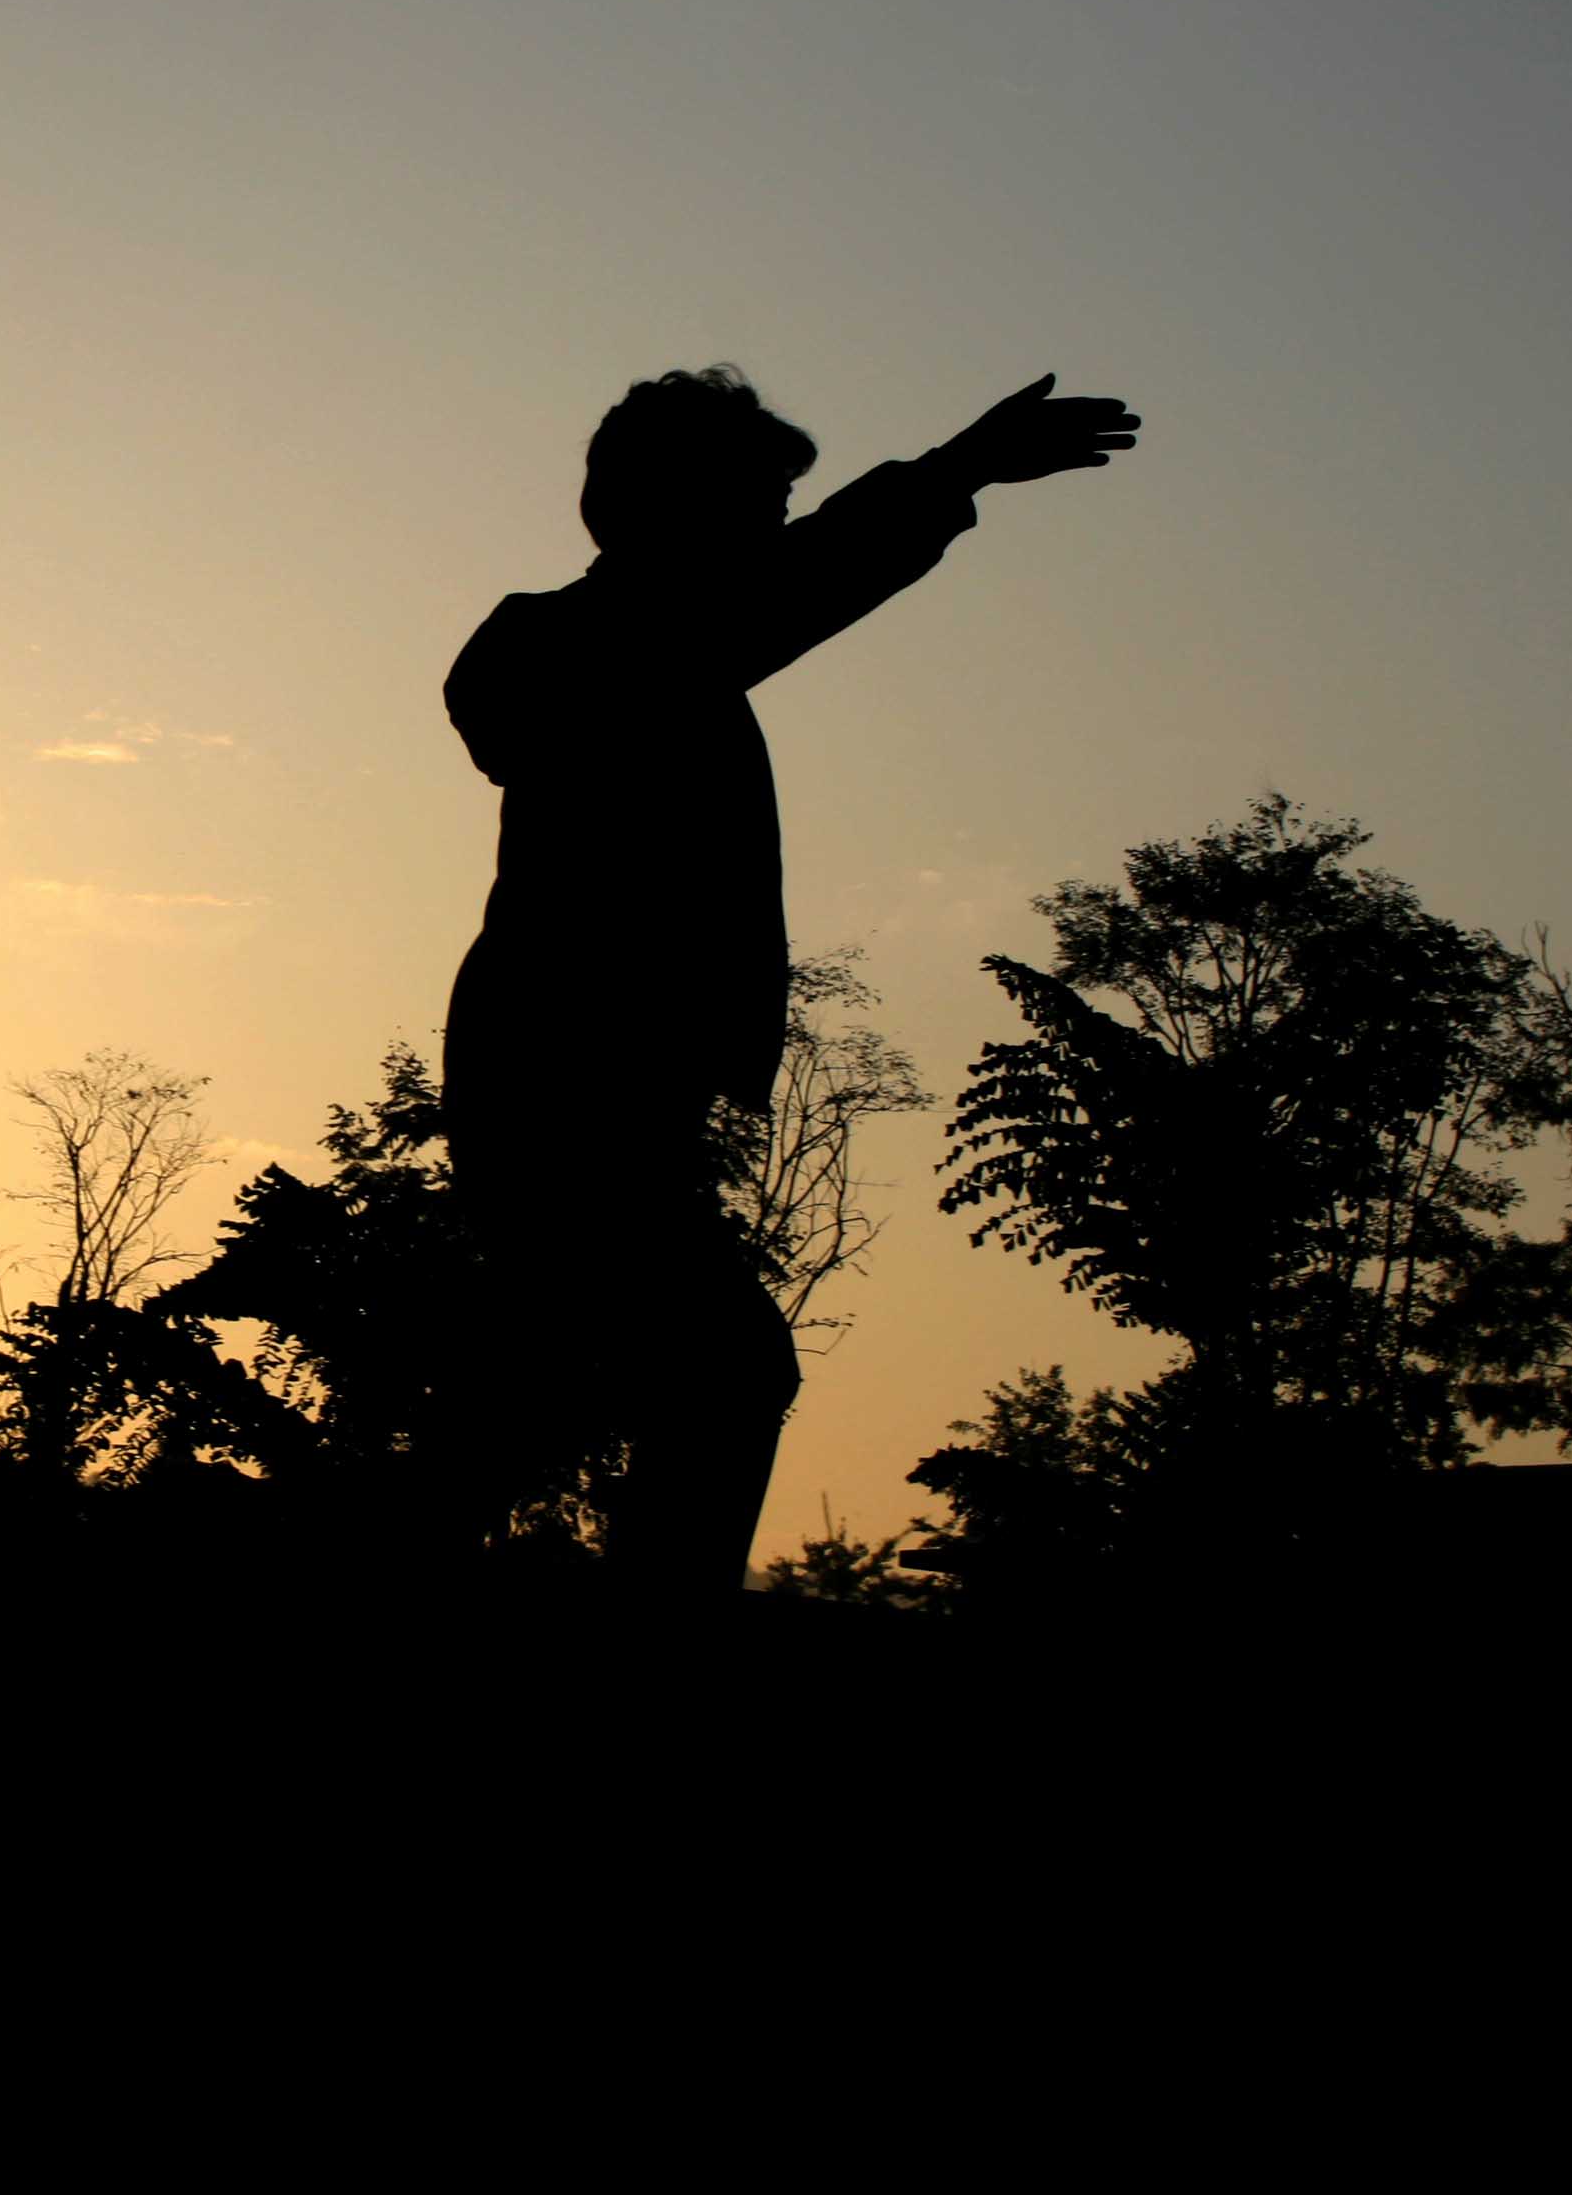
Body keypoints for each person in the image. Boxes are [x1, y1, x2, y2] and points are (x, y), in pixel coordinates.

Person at [442, 365, 1141, 1588]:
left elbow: (776, 588)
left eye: (780, 501)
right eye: (759, 496)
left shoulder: (664, 646)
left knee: (565, 1378)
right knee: (707, 1369)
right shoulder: (560, 643)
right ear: (669, 502)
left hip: (607, 1089)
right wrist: (958, 468)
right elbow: (782, 589)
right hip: (557, 1079)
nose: (777, 520)